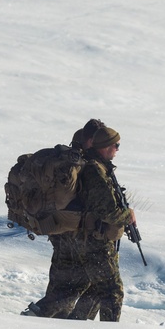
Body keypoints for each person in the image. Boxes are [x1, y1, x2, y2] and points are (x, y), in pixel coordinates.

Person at [22, 118, 104, 318]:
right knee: (85, 283)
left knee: (61, 280)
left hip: (58, 229)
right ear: (92, 139)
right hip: (76, 232)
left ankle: (54, 324)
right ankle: (44, 316)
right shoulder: (86, 162)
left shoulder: (68, 155)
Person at [68, 125, 136, 322]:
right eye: (116, 145)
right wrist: (127, 217)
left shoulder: (99, 166)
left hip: (93, 239)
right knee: (112, 291)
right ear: (106, 146)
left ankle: (76, 326)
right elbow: (107, 211)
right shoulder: (95, 170)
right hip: (96, 241)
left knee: (97, 289)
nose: (117, 149)